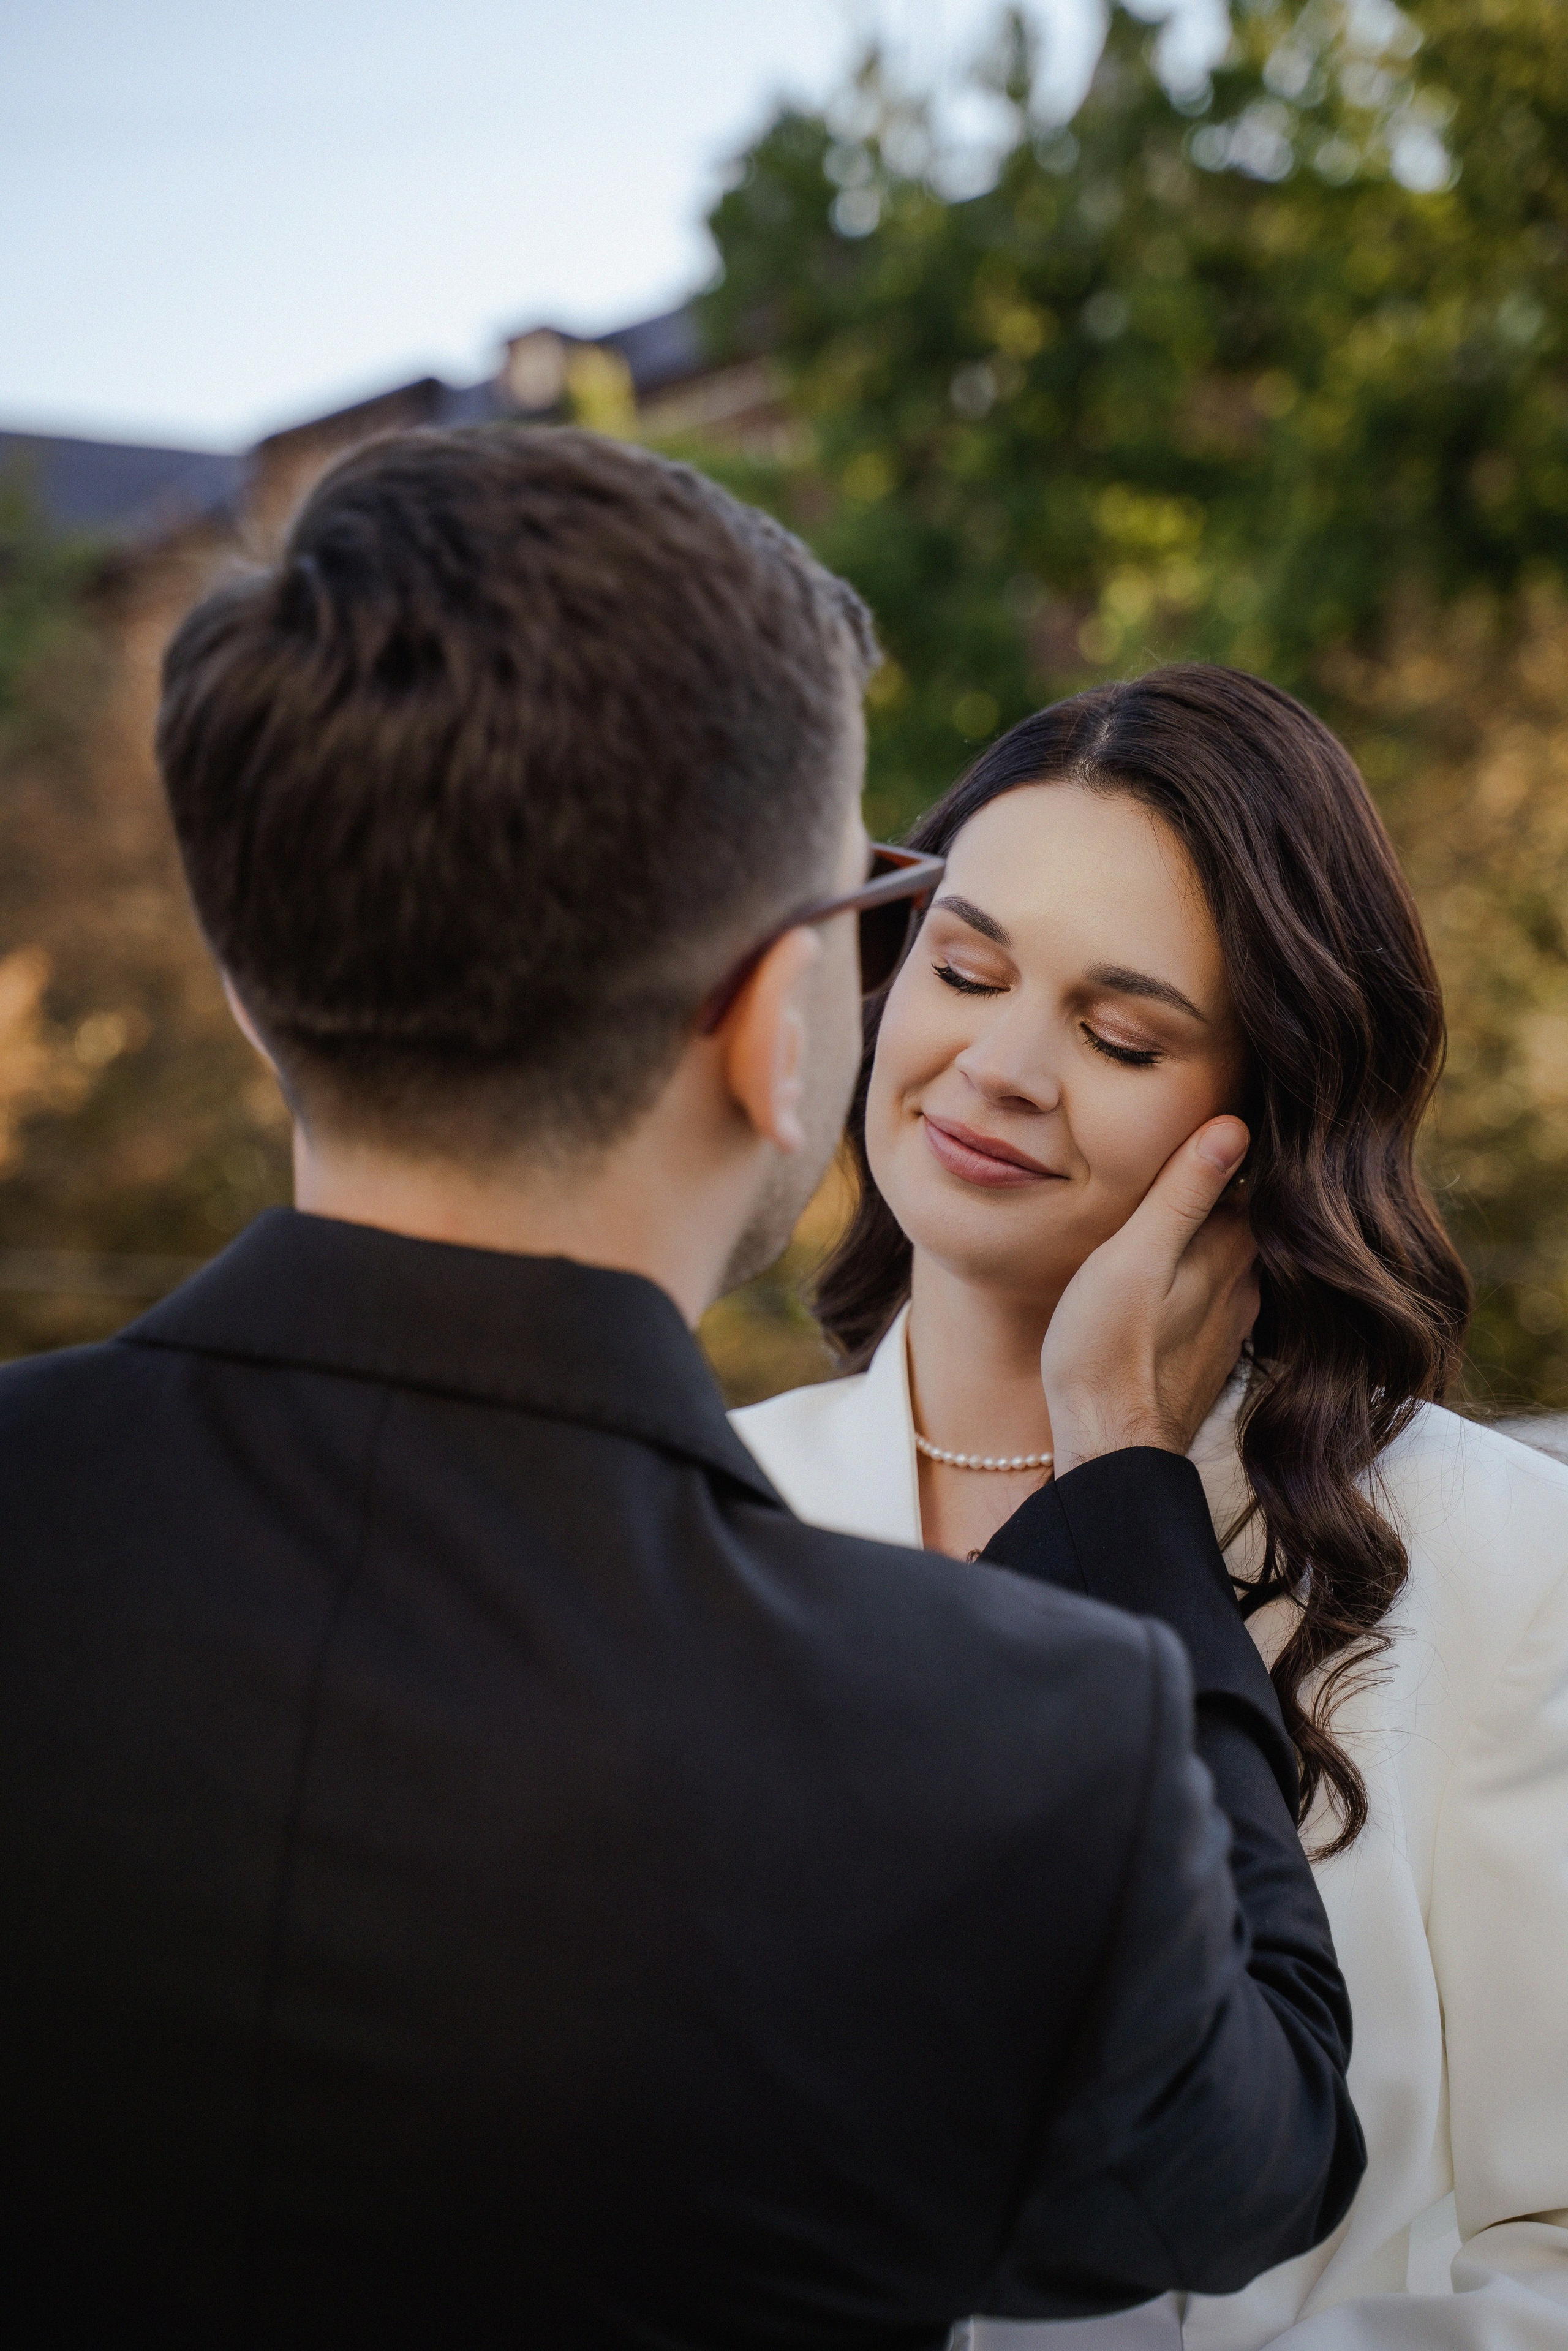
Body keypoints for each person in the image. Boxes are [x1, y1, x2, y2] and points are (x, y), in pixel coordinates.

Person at [0, 435, 1363, 2347]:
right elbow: (1268, 2147)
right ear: (765, 1017)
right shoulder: (1012, 1745)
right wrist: (1131, 1491)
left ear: (246, 984)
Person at [734, 666, 1568, 2350]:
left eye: (1121, 1035)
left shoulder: (1493, 1557)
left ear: (1269, 1124)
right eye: (964, 971)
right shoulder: (699, 1516)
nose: (1001, 1067)